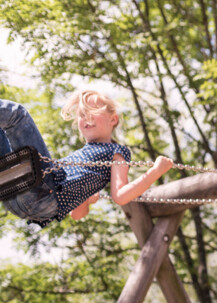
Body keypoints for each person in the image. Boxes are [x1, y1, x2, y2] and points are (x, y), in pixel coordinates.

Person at [0, 90, 173, 227]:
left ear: (113, 119)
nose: (87, 117)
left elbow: (120, 196)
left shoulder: (116, 151)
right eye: (82, 114)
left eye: (93, 112)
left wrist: (155, 172)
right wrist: (86, 197)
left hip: (44, 193)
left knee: (17, 115)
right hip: (17, 196)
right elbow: (77, 214)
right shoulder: (83, 158)